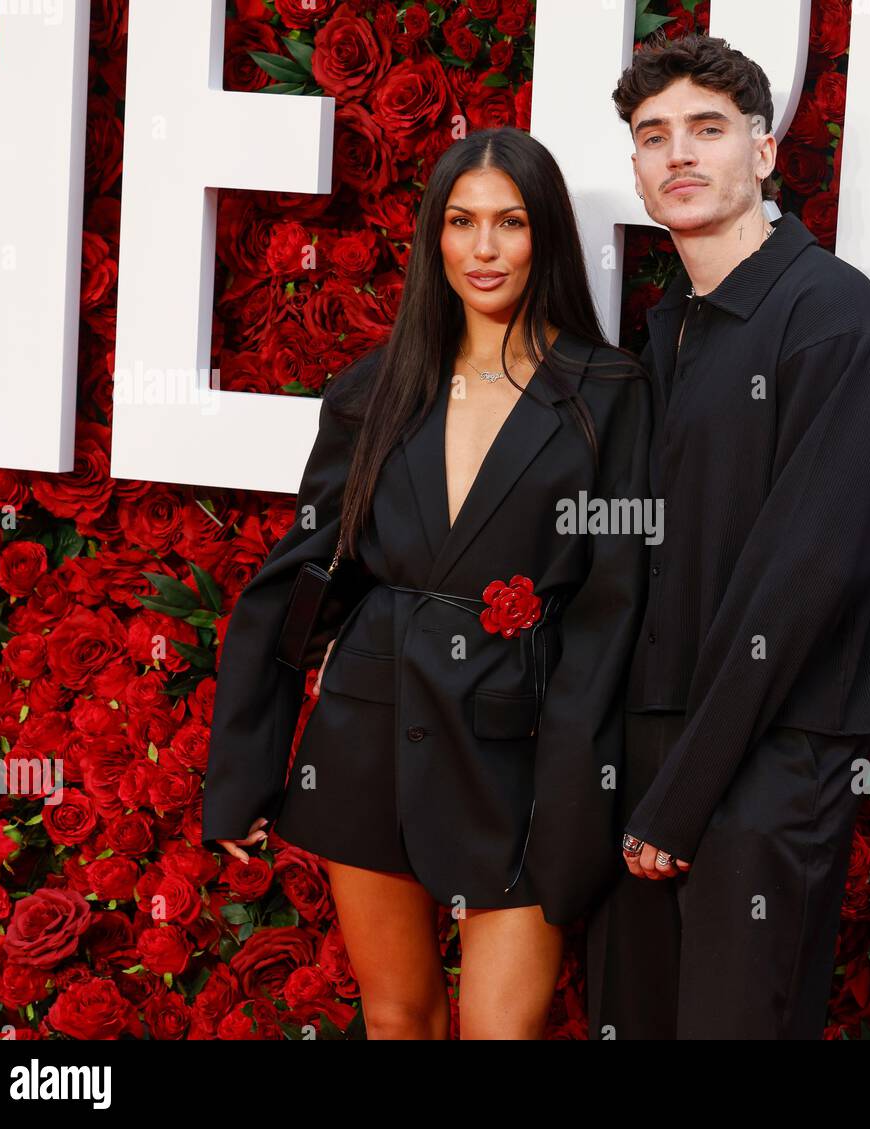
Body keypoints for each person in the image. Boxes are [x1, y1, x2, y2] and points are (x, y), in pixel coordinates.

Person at [200, 127, 653, 1040]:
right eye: (462, 222)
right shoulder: (372, 392)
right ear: (434, 239)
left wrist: (584, 788)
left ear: (547, 237)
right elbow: (300, 577)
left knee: (501, 1029)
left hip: (521, 752)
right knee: (398, 1016)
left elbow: (617, 605)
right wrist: (245, 771)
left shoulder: (609, 393)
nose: (484, 249)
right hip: (369, 728)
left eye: (510, 223)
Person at [587, 32, 870, 1039]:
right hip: (658, 750)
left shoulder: (829, 315)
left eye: (707, 129)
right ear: (637, 167)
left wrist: (679, 797)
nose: (677, 153)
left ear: (763, 153)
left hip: (768, 756)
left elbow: (802, 579)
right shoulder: (669, 324)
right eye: (653, 135)